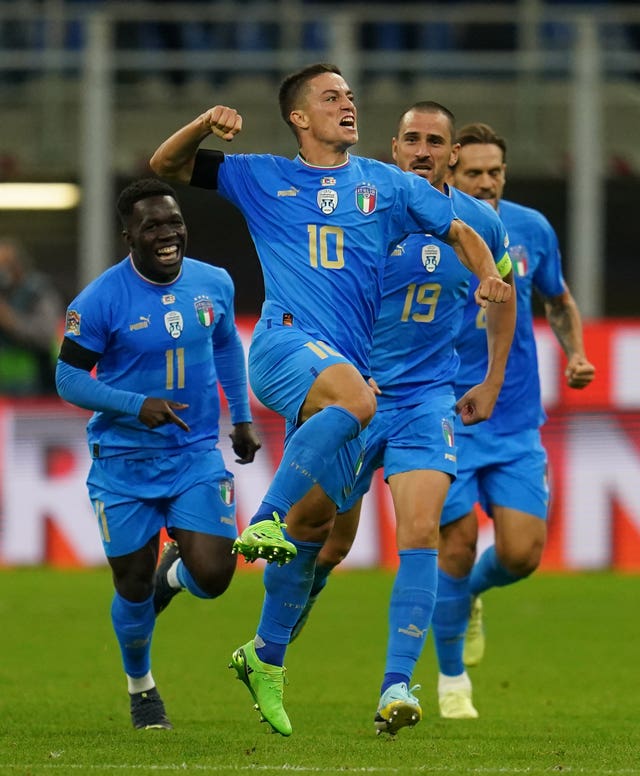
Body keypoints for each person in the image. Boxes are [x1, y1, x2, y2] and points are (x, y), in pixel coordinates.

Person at [149, 62, 512, 737]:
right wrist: (204, 122)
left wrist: (490, 276)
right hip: (312, 358)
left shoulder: (390, 190)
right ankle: (263, 532)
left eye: (351, 96)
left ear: (451, 153)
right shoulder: (261, 176)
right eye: (331, 97)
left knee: (362, 536)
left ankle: (363, 677)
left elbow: (469, 236)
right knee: (323, 512)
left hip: (414, 395)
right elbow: (166, 164)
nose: (347, 105)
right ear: (299, 117)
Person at [288, 101, 516, 733]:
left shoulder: (480, 224)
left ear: (452, 156)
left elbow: (504, 292)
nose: (422, 149)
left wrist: (492, 378)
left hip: (427, 399)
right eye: (411, 139)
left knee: (421, 534)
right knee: (329, 540)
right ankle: (293, 604)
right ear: (392, 148)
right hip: (355, 393)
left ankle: (396, 686)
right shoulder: (362, 210)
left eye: (434, 141)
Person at [55, 178, 261, 730]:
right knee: (131, 585)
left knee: (215, 576)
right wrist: (133, 404)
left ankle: (177, 576)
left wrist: (239, 417)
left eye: (174, 222)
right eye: (153, 226)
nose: (168, 234)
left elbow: (224, 344)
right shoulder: (100, 300)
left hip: (193, 453)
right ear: (129, 236)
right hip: (123, 460)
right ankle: (141, 687)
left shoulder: (213, 282)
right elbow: (67, 376)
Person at [431, 122, 595, 718]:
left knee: (524, 554)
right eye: (472, 172)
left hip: (515, 415)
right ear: (450, 172)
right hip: (446, 413)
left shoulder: (530, 228)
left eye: (494, 171)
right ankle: (452, 682)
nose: (486, 182)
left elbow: (557, 298)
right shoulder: (430, 228)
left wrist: (574, 351)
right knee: (456, 544)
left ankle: (471, 594)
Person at [0, 237, 63, 396]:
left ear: (18, 265)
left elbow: (46, 334)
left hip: (36, 389)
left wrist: (11, 321)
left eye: (5, 264)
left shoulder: (38, 292)